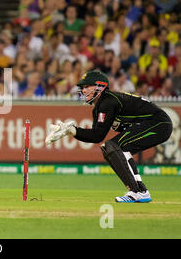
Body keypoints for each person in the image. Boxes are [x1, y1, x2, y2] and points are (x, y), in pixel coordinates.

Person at [45, 70, 172, 203]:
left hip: (159, 123)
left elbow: (98, 135)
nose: (83, 91)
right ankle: (140, 191)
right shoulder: (99, 107)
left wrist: (72, 130)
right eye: (82, 88)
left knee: (115, 146)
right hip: (152, 124)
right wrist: (71, 131)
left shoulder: (109, 101)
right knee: (108, 148)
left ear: (100, 87)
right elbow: (96, 136)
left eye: (86, 86)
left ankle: (137, 192)